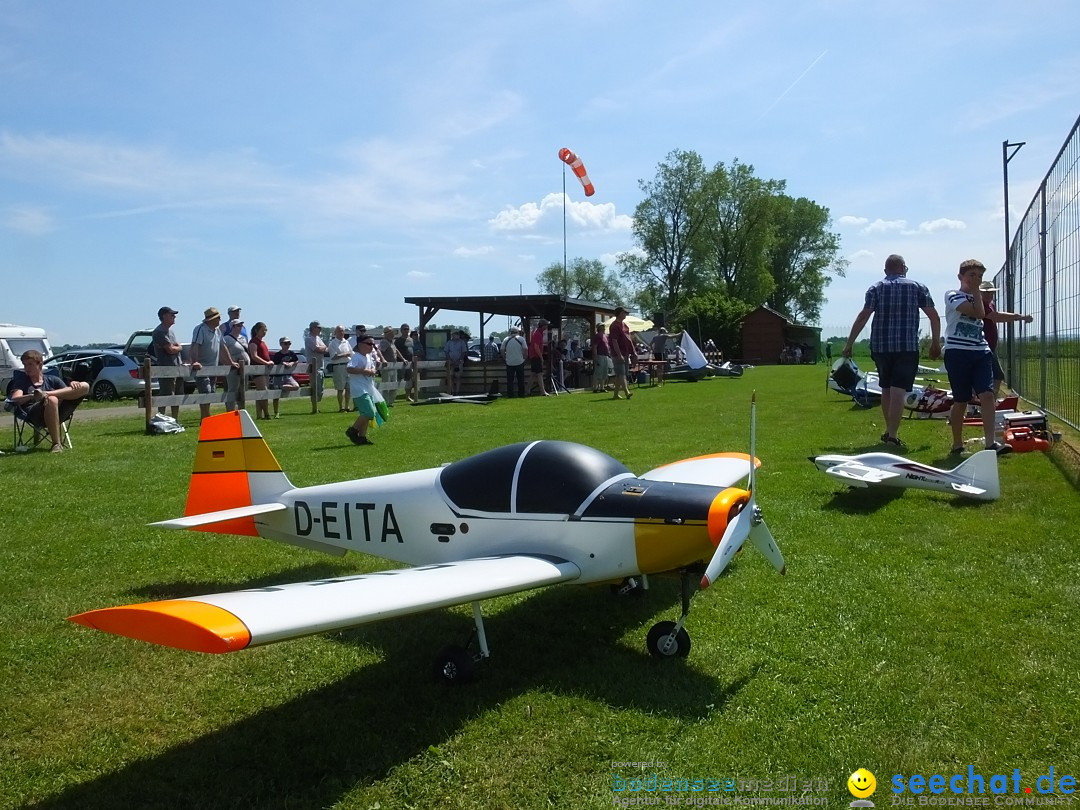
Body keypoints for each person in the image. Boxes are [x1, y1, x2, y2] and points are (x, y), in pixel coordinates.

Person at [842, 254, 941, 448]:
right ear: (904, 268)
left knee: (886, 389)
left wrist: (849, 343)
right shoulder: (917, 287)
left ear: (886, 270)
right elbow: (934, 317)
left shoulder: (876, 288)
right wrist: (935, 343)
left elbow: (863, 317)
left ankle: (889, 431)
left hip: (881, 346)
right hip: (907, 346)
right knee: (898, 391)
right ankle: (893, 436)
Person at [943, 260, 1032, 456]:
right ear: (961, 277)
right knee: (961, 400)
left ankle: (991, 443)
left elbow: (990, 314)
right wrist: (976, 292)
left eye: (979, 276)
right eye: (971, 276)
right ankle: (957, 444)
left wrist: (1018, 316)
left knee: (987, 395)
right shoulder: (953, 295)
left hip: (980, 351)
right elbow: (977, 313)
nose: (976, 280)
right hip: (957, 352)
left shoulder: (981, 299)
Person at [7, 349, 88, 452]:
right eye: (25, 365)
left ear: (39, 365)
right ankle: (56, 444)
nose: (26, 368)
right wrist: (32, 396)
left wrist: (73, 384)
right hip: (34, 414)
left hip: (59, 412)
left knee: (85, 386)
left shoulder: (52, 379)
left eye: (30, 364)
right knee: (52, 399)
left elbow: (66, 393)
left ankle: (47, 394)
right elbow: (15, 399)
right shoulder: (21, 382)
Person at [979, 281, 1030, 398]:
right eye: (985, 293)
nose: (989, 295)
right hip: (983, 346)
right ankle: (986, 404)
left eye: (991, 293)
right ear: (980, 293)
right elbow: (995, 316)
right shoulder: (980, 305)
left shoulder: (990, 304)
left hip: (990, 346)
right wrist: (1020, 316)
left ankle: (986, 403)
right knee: (996, 375)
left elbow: (996, 318)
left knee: (994, 376)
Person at [344, 334, 387, 446]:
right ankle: (352, 431)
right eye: (369, 343)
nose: (371, 346)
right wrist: (365, 371)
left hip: (368, 388)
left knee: (367, 414)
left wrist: (372, 369)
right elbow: (349, 368)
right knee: (369, 412)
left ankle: (362, 437)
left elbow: (372, 367)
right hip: (359, 389)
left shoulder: (368, 356)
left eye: (373, 344)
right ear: (360, 344)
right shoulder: (356, 356)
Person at [190, 307, 228, 421]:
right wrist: (195, 361)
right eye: (218, 318)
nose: (220, 320)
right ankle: (207, 417)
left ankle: (205, 418)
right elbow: (195, 346)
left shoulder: (217, 331)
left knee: (211, 392)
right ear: (212, 319)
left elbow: (223, 347)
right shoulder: (200, 329)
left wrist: (230, 362)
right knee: (205, 392)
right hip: (202, 367)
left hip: (213, 367)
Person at [151, 305, 184, 419]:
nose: (174, 317)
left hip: (177, 367)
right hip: (166, 368)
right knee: (165, 394)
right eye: (172, 315)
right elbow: (170, 350)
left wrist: (176, 347)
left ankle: (175, 419)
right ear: (164, 316)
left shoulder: (171, 332)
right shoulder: (159, 332)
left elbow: (174, 347)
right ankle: (161, 418)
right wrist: (179, 347)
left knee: (177, 395)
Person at [247, 322, 275, 420]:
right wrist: (266, 363)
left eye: (265, 330)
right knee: (263, 391)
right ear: (256, 330)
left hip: (265, 370)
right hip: (257, 370)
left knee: (260, 392)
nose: (264, 332)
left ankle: (259, 414)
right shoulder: (253, 342)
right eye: (262, 330)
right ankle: (267, 413)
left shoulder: (262, 342)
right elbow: (254, 356)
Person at [268, 336, 300, 417]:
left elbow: (296, 360)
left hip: (288, 376)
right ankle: (276, 413)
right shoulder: (277, 355)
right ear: (281, 344)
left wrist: (291, 363)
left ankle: (281, 387)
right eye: (286, 343)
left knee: (296, 386)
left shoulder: (292, 353)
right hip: (278, 376)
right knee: (276, 396)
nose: (287, 345)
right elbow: (274, 366)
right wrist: (282, 364)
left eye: (289, 343)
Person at [608, 307, 635, 400]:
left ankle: (615, 394)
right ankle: (627, 392)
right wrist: (619, 354)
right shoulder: (614, 326)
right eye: (624, 312)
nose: (626, 314)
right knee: (621, 373)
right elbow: (614, 341)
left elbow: (629, 339)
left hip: (626, 352)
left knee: (621, 374)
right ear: (619, 313)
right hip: (617, 354)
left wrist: (633, 352)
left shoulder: (625, 325)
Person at [222, 318, 249, 412]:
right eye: (238, 325)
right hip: (234, 369)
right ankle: (230, 411)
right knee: (233, 389)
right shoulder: (227, 339)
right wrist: (231, 362)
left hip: (245, 368)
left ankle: (241, 410)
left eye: (241, 325)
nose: (240, 327)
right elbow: (223, 353)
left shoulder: (243, 338)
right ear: (232, 327)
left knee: (243, 390)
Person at [327, 325, 354, 412]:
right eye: (339, 331)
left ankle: (347, 406)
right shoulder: (333, 343)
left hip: (348, 365)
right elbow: (333, 357)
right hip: (339, 366)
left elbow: (351, 352)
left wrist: (349, 354)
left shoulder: (346, 342)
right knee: (340, 388)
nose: (341, 333)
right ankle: (341, 407)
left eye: (342, 331)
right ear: (335, 332)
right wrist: (345, 354)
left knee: (349, 388)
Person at [304, 320, 328, 413]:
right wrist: (323, 349)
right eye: (318, 327)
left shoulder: (318, 338)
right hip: (313, 367)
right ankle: (314, 408)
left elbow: (325, 348)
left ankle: (317, 406)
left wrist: (323, 349)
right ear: (313, 328)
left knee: (321, 388)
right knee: (315, 388)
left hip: (320, 366)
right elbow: (318, 349)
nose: (320, 329)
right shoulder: (309, 338)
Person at [378, 326, 402, 406]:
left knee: (394, 385)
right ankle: (385, 402)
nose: (393, 335)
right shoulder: (384, 342)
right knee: (386, 385)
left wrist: (403, 359)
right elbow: (379, 351)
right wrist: (383, 359)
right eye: (391, 333)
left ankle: (391, 402)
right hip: (387, 367)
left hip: (394, 366)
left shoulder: (392, 342)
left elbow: (396, 351)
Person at [502, 325, 527, 398]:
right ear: (518, 332)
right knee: (521, 379)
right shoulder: (521, 339)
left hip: (509, 362)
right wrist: (524, 357)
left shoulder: (506, 339)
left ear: (510, 332)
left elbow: (502, 350)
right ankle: (521, 394)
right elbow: (525, 349)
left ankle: (510, 394)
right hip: (520, 361)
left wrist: (505, 358)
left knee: (510, 380)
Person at [527, 319, 550, 396]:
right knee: (540, 374)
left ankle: (527, 390)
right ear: (543, 326)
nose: (547, 326)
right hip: (536, 356)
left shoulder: (539, 333)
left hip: (533, 356)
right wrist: (541, 357)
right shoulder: (538, 334)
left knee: (533, 374)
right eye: (546, 325)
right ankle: (543, 392)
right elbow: (536, 347)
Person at [395, 323, 415, 403]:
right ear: (401, 330)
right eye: (404, 329)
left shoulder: (411, 339)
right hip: (401, 362)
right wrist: (402, 359)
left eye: (407, 329)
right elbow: (395, 351)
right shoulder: (398, 341)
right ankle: (393, 396)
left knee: (409, 379)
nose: (406, 330)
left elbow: (412, 350)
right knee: (399, 379)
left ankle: (408, 396)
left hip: (410, 363)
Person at [445, 330, 469, 395]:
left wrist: (459, 360)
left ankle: (457, 392)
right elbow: (446, 352)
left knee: (458, 377)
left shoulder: (462, 342)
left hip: (459, 362)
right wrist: (450, 360)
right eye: (453, 335)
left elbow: (463, 352)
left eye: (455, 334)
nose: (454, 336)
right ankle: (453, 391)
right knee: (451, 376)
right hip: (451, 362)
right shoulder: (449, 342)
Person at [592, 322, 611, 393]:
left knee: (604, 372)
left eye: (603, 326)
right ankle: (595, 387)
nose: (603, 327)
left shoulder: (605, 336)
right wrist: (595, 356)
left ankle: (602, 387)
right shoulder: (597, 336)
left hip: (605, 355)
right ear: (598, 328)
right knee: (598, 372)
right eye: (601, 326)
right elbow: (594, 346)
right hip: (599, 355)